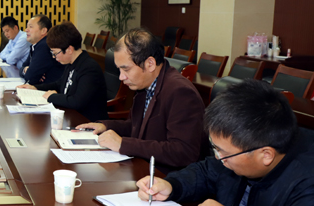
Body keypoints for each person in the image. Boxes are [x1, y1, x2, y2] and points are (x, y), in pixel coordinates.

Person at [136, 80, 314, 206]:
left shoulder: (307, 181)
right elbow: (207, 170)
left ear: (266, 155)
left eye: (223, 152)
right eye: (214, 148)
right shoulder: (244, 148)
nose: (218, 157)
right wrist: (173, 185)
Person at [78, 28, 204, 169]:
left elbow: (184, 152)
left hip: (165, 176)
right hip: (143, 167)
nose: (121, 77)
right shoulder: (145, 85)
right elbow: (137, 127)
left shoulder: (181, 92)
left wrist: (124, 144)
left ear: (150, 64)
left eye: (126, 69)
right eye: (119, 69)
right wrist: (106, 126)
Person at [20, 22, 108, 121]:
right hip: (71, 117)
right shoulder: (70, 62)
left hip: (87, 121)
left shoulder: (89, 68)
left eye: (55, 53)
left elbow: (77, 102)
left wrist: (52, 97)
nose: (54, 57)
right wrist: (35, 88)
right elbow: (59, 84)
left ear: (69, 49)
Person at [19, 15, 64, 86]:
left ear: (43, 31)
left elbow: (30, 77)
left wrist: (29, 72)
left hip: (51, 89)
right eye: (27, 27)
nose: (26, 30)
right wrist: (25, 69)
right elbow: (23, 66)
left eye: (30, 27)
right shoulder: (36, 45)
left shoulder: (44, 46)